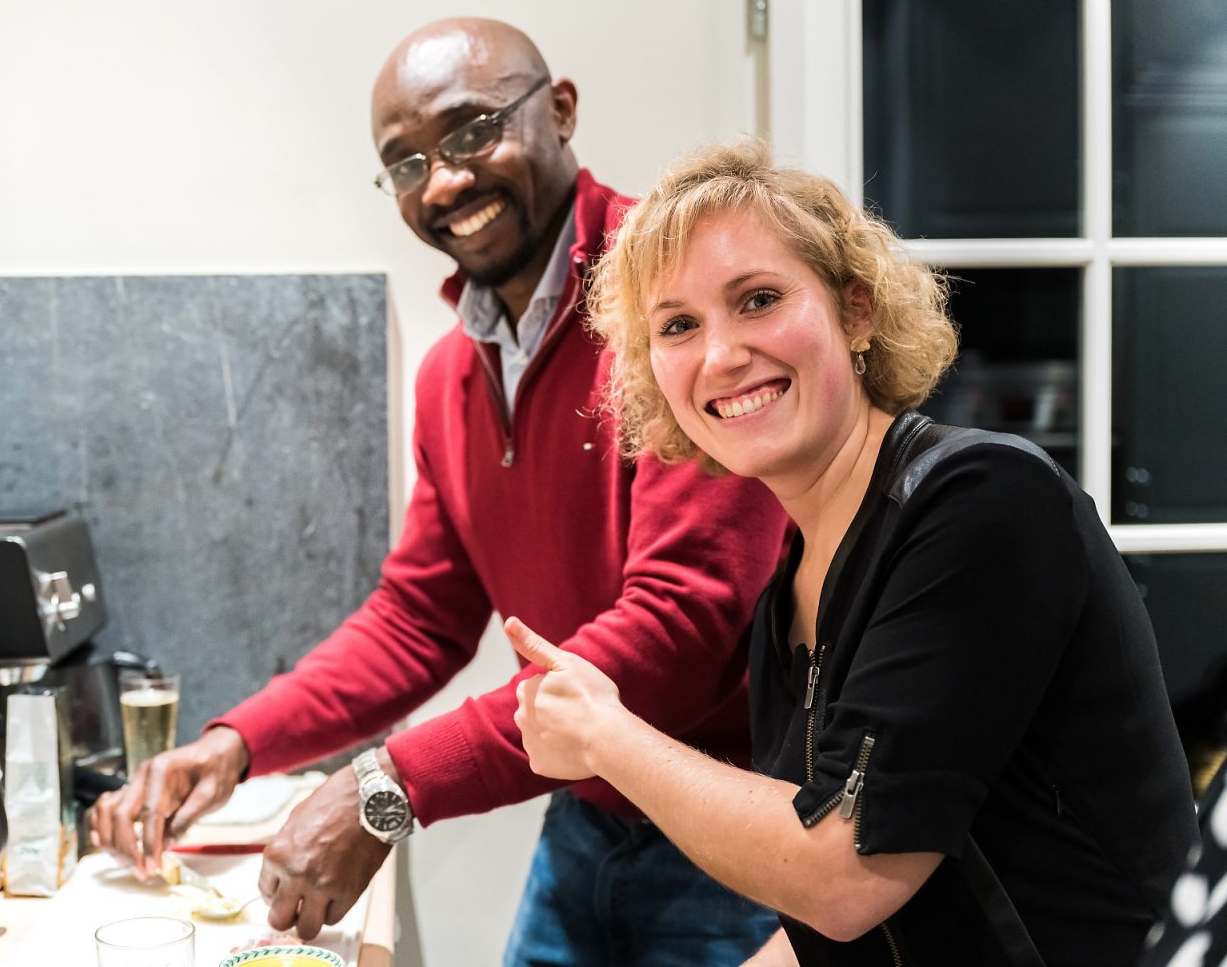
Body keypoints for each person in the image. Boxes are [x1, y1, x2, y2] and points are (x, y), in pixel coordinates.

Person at [88, 19, 791, 964]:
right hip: (588, 818)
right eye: (407, 161)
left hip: (734, 826)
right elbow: (417, 618)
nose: (447, 180)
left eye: (470, 132)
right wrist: (237, 743)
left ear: (563, 111)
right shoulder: (454, 373)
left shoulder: (671, 302)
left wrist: (391, 784)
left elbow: (680, 623)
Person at [507, 137, 1199, 966]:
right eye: (680, 325)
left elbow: (846, 874)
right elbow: (829, 931)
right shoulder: (788, 597)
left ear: (856, 309)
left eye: (758, 299)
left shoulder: (982, 501)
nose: (722, 356)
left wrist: (606, 739)